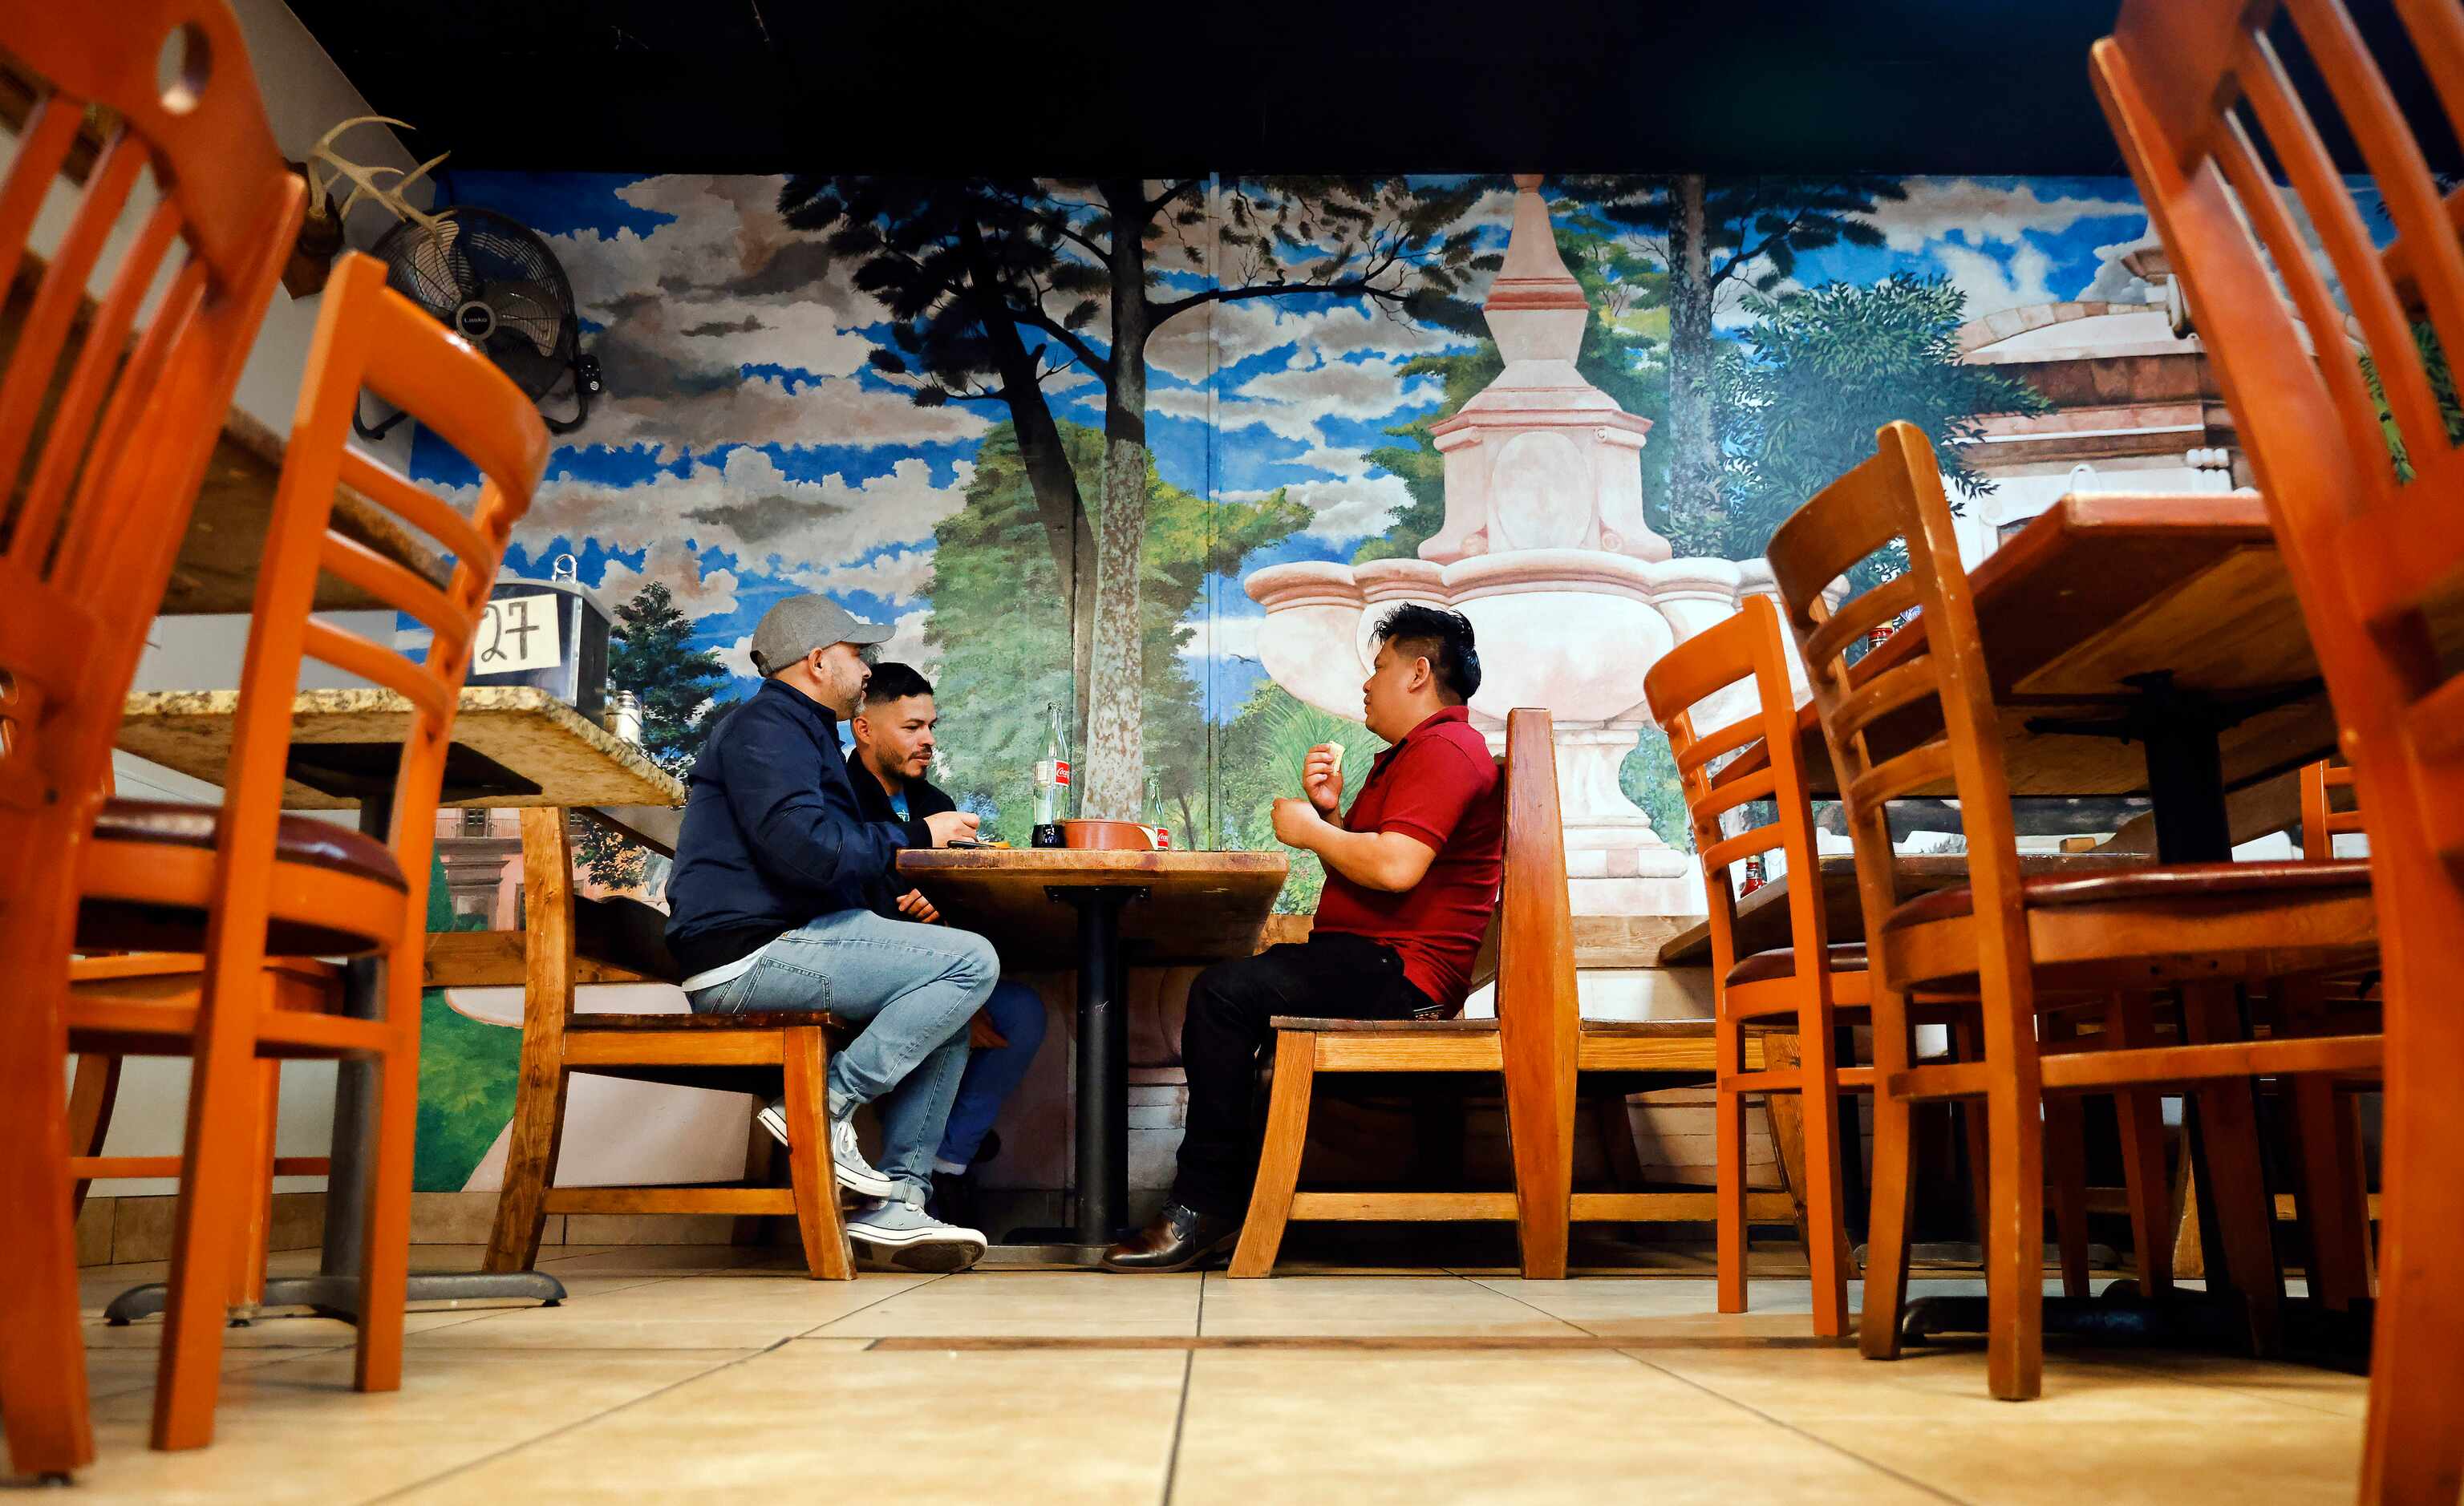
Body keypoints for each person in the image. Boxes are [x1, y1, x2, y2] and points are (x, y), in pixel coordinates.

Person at [1103, 604, 1506, 1273]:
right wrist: (1334, 816)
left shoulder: (1446, 748)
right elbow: (1385, 864)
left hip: (1399, 974)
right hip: (1377, 960)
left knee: (1223, 994)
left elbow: (1397, 867)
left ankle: (1206, 1205)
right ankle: (1223, 1202)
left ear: (1419, 672)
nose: (1367, 685)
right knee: (1235, 988)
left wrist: (1313, 831)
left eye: (1379, 669)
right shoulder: (1418, 755)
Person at [664, 595, 991, 1270]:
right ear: (817, 662)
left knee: (952, 1007)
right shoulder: (768, 727)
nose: (866, 669)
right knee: (970, 964)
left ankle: (900, 1202)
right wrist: (915, 836)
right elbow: (805, 852)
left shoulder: (801, 731)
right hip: (746, 956)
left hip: (780, 941)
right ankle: (822, 1106)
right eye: (856, 654)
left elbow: (825, 858)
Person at [843, 660, 1048, 1225]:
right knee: (954, 1019)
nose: (928, 739)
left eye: (932, 725)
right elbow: (833, 888)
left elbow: (958, 901)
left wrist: (943, 913)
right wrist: (902, 909)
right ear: (864, 729)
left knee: (1023, 1013)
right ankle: (910, 1181)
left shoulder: (936, 802)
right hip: (862, 974)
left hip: (943, 964)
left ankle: (945, 1165)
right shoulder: (835, 795)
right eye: (912, 727)